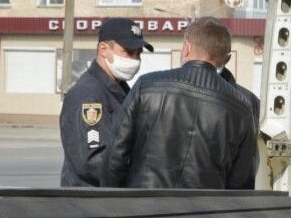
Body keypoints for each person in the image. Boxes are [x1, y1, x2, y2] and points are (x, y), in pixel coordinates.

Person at [102, 17, 257, 190]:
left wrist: (115, 204)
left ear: (187, 48)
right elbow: (241, 179)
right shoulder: (241, 107)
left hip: (144, 208)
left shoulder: (146, 86)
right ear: (226, 59)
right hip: (206, 211)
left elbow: (115, 157)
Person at [59, 18, 152, 187]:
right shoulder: (89, 95)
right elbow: (93, 161)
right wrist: (142, 172)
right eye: (128, 52)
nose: (135, 60)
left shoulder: (117, 87)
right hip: (90, 201)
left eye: (138, 53)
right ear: (103, 49)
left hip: (107, 198)